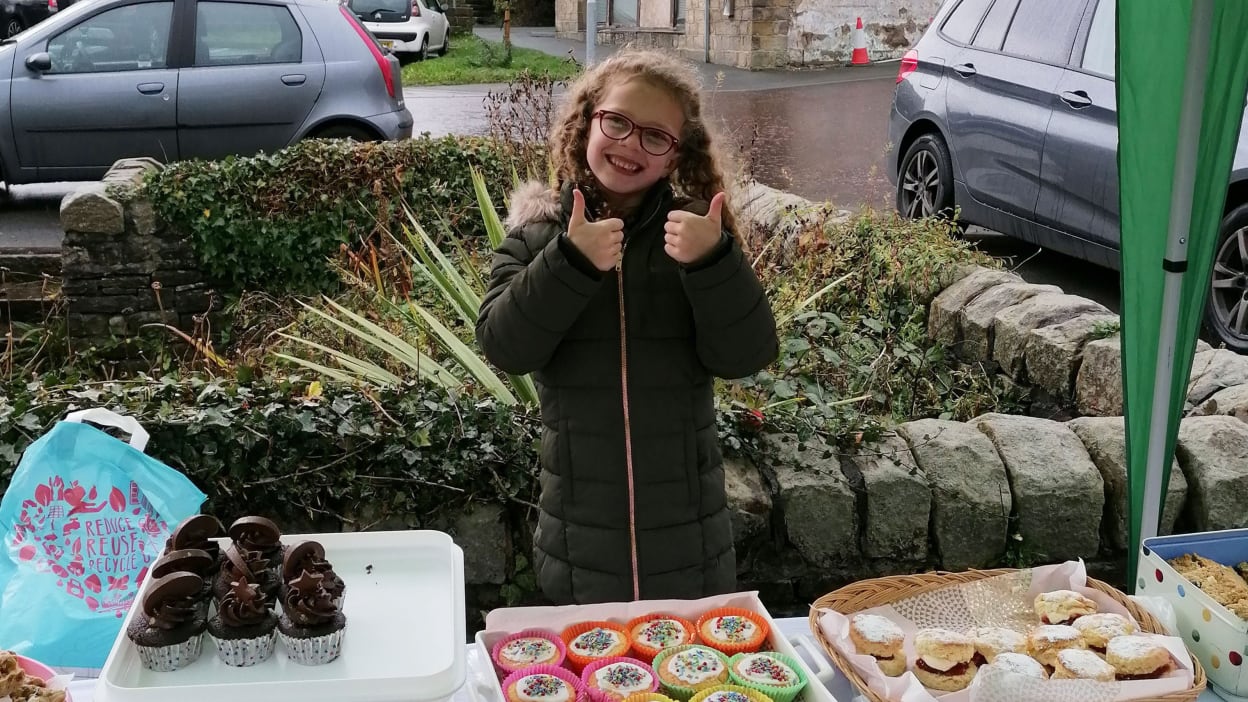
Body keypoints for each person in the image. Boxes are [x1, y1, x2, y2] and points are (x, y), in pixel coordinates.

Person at [476, 49, 779, 605]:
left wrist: (713, 263)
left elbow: (746, 353)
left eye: (655, 136)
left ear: (675, 154)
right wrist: (570, 261)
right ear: (587, 121)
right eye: (616, 122)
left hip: (688, 548)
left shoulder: (692, 239)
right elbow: (504, 345)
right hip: (579, 548)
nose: (630, 145)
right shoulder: (537, 239)